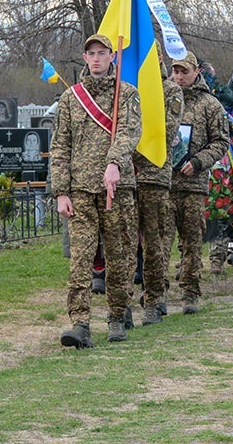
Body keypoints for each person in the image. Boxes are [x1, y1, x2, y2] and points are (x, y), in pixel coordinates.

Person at [52, 34, 141, 348]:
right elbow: (60, 147)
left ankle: (117, 316)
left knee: (119, 256)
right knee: (80, 260)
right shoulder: (71, 98)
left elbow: (130, 132)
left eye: (102, 53)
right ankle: (80, 323)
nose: (97, 59)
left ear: (112, 56)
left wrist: (115, 162)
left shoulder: (127, 94)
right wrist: (61, 191)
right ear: (85, 57)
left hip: (116, 189)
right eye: (92, 54)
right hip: (80, 191)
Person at [168, 51, 230, 314]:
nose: (179, 77)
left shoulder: (209, 105)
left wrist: (199, 161)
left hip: (193, 185)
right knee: (159, 240)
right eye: (176, 72)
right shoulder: (163, 100)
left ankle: (191, 291)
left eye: (185, 71)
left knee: (192, 241)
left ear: (196, 72)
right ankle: (155, 292)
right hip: (165, 183)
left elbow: (221, 141)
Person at [134, 57, 184, 325]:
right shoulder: (125, 87)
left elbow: (167, 129)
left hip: (154, 173)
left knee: (154, 242)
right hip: (125, 175)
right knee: (123, 244)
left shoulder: (170, 91)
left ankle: (154, 298)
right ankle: (120, 303)